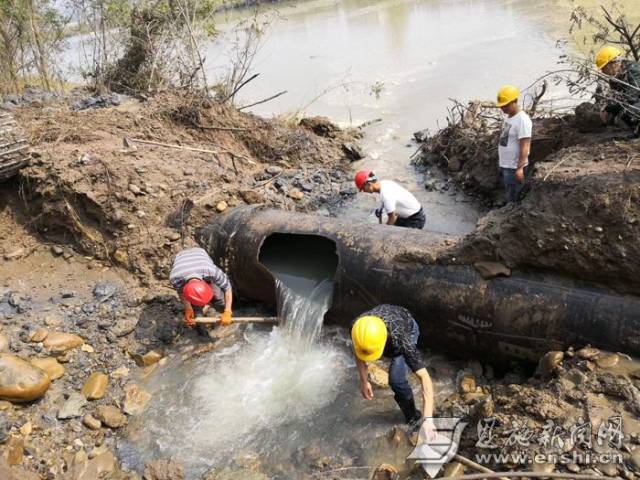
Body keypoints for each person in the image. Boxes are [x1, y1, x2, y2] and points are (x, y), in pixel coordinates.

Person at [351, 304, 435, 436]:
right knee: (395, 376)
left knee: (396, 379)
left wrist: (428, 419)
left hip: (407, 328)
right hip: (387, 322)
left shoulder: (402, 340)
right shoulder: (358, 327)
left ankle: (413, 417)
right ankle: (411, 415)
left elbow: (425, 377)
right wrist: (364, 380)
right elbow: (358, 350)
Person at [169, 247, 233, 328]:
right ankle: (200, 324)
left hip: (199, 253)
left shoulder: (211, 271)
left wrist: (227, 311)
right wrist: (188, 308)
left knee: (219, 298)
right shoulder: (175, 277)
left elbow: (227, 287)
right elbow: (180, 291)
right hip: (180, 257)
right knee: (195, 308)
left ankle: (224, 314)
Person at [496, 85, 532, 203]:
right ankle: (508, 209)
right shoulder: (509, 117)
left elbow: (525, 145)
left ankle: (511, 214)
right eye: (501, 106)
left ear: (514, 102)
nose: (502, 108)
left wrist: (520, 168)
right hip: (506, 165)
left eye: (505, 105)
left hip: (514, 167)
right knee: (509, 191)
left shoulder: (522, 120)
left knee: (516, 194)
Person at [354, 170, 426, 229]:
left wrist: (383, 233)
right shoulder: (384, 183)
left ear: (368, 184)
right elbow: (389, 202)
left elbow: (392, 218)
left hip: (415, 220)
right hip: (413, 214)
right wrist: (380, 209)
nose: (364, 191)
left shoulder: (386, 194)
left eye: (363, 188)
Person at [595, 46, 640, 132]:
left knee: (628, 110)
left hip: (635, 101)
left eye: (604, 68)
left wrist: (608, 109)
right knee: (622, 112)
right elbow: (618, 98)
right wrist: (608, 111)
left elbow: (630, 97)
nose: (603, 72)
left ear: (614, 63)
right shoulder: (616, 76)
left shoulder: (634, 71)